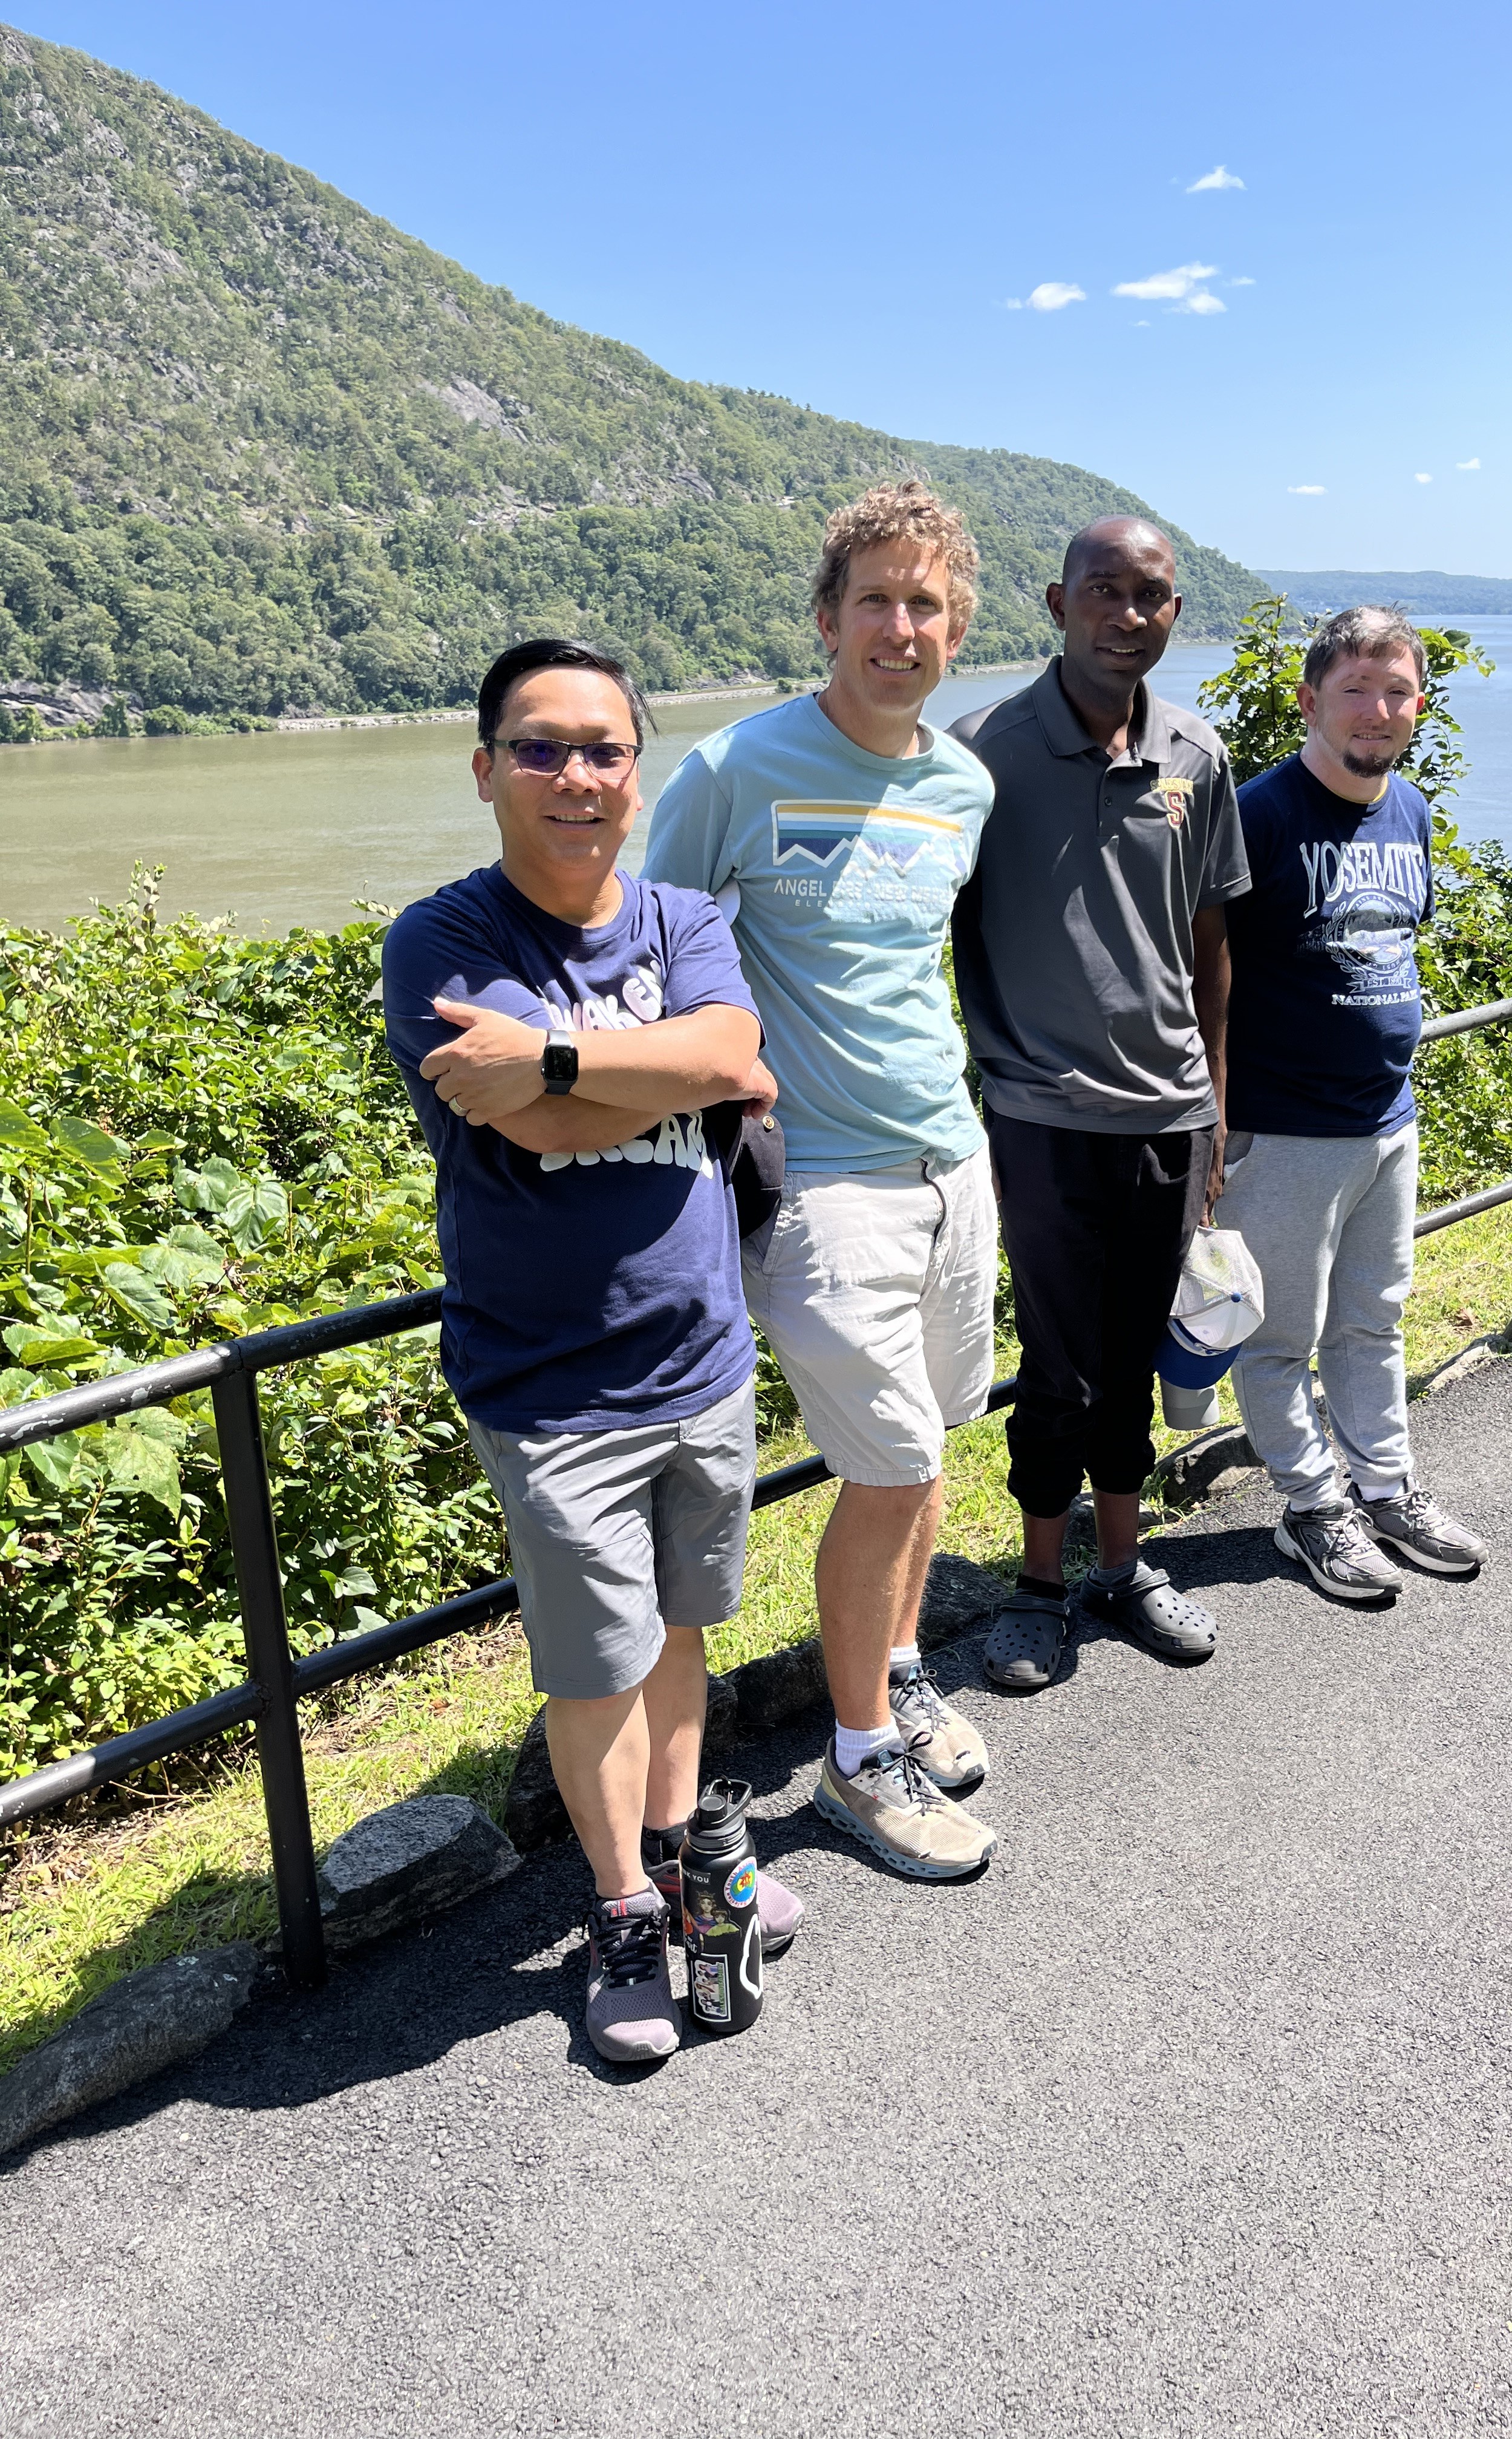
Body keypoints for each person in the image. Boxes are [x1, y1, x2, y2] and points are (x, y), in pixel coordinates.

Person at [381, 637, 804, 2069]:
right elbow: (549, 1132)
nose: (577, 776)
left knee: (683, 1634)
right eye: (543, 747)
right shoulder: (442, 939)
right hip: (554, 1384)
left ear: (641, 768)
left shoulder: (685, 917)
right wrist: (645, 1070)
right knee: (592, 1669)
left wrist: (554, 1060)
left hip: (703, 1353)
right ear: (488, 766)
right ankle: (624, 1911)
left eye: (605, 750)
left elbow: (733, 1057)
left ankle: (689, 1875)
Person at [643, 482, 1000, 1880]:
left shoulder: (960, 784)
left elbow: (918, 970)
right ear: (828, 616)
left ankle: (897, 1667)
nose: (898, 627)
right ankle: (858, 1764)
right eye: (875, 600)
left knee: (929, 1453)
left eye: (925, 604)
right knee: (893, 1463)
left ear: (955, 626)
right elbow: (649, 950)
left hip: (950, 1162)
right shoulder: (737, 767)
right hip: (821, 1189)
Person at [950, 518, 1250, 1690]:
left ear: (1176, 609)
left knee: (1134, 1360)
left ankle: (1123, 1568)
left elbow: (1213, 945)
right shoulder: (980, 755)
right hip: (1041, 1115)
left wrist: (1218, 1107)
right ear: (1056, 601)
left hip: (1171, 1116)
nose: (1129, 614)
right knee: (1059, 1366)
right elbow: (930, 930)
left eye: (1153, 595)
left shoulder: (1196, 755)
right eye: (1105, 592)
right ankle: (1037, 1585)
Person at [1220, 604, 1488, 1598]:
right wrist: (1215, 1120)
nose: (1377, 711)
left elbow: (1397, 942)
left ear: (1418, 702)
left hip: (1388, 1118)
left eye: (1396, 691)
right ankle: (1311, 1509)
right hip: (1283, 1128)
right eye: (1355, 691)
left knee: (1375, 1319)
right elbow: (1203, 975)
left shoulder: (1410, 810)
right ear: (1309, 702)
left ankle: (1387, 1487)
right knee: (1280, 1335)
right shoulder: (1260, 815)